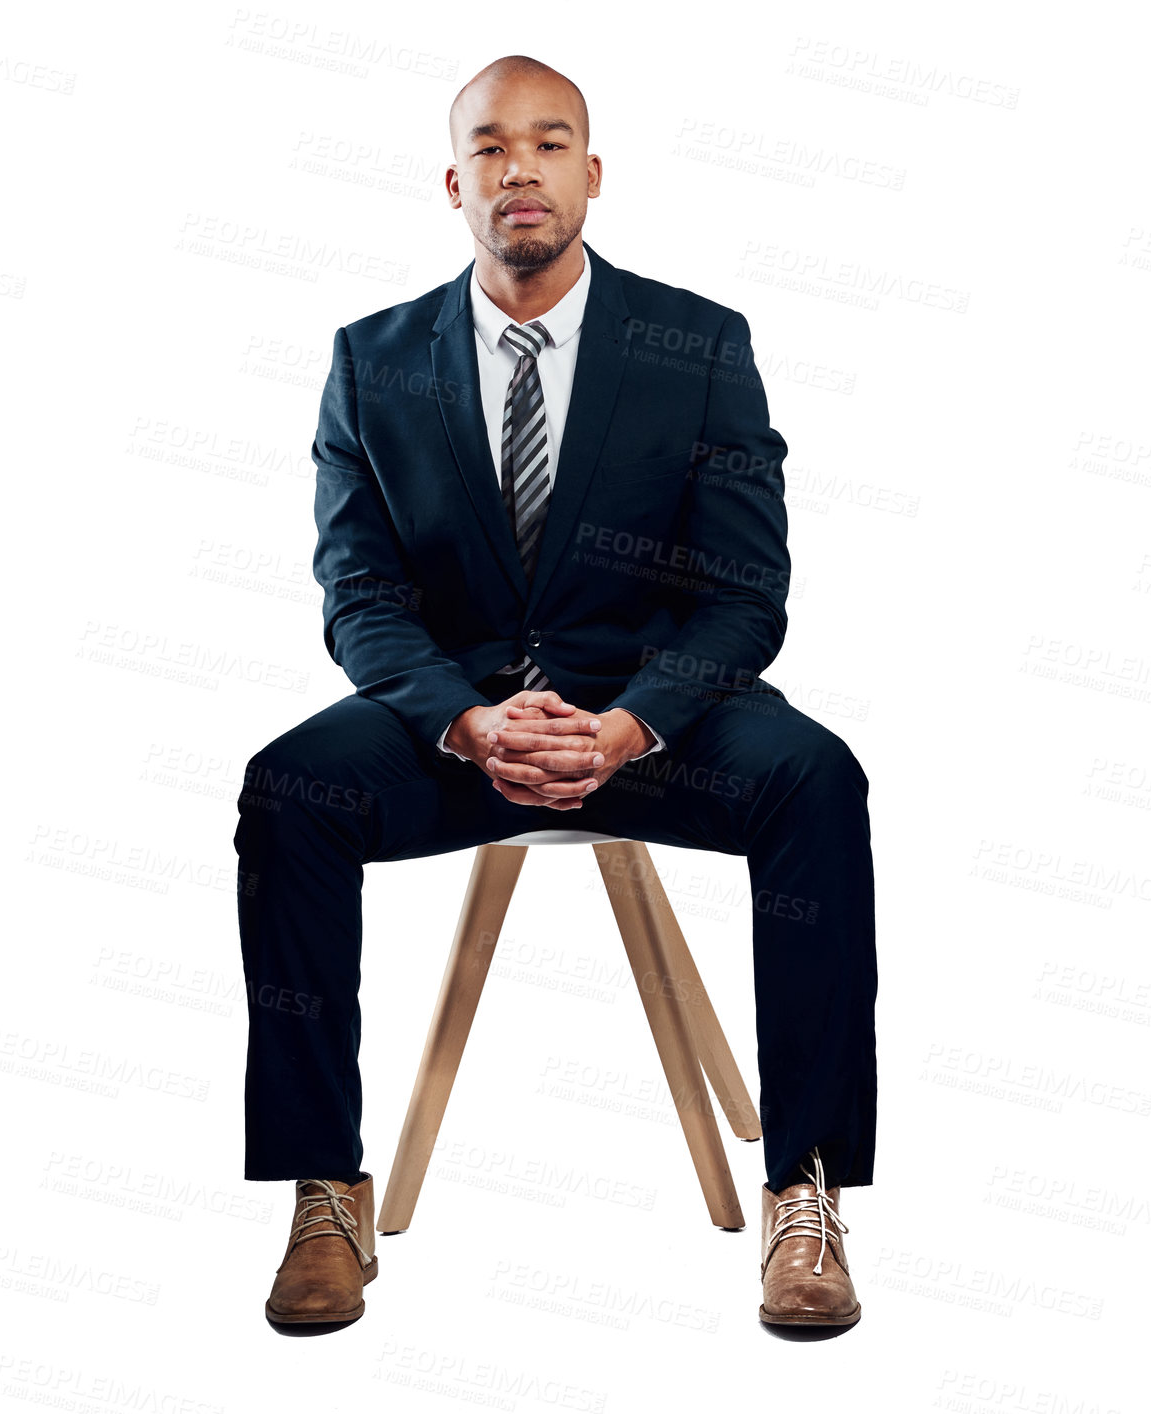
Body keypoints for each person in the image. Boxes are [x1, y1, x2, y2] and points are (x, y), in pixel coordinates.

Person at [234, 54, 876, 1332]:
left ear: (592, 173)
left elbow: (745, 591)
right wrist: (462, 721)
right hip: (460, 718)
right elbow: (358, 594)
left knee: (818, 778)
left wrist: (634, 719)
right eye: (488, 146)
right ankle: (322, 1188)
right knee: (288, 788)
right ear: (454, 182)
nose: (517, 168)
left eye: (547, 142)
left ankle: (804, 1189)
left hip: (652, 721)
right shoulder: (373, 361)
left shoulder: (695, 344)